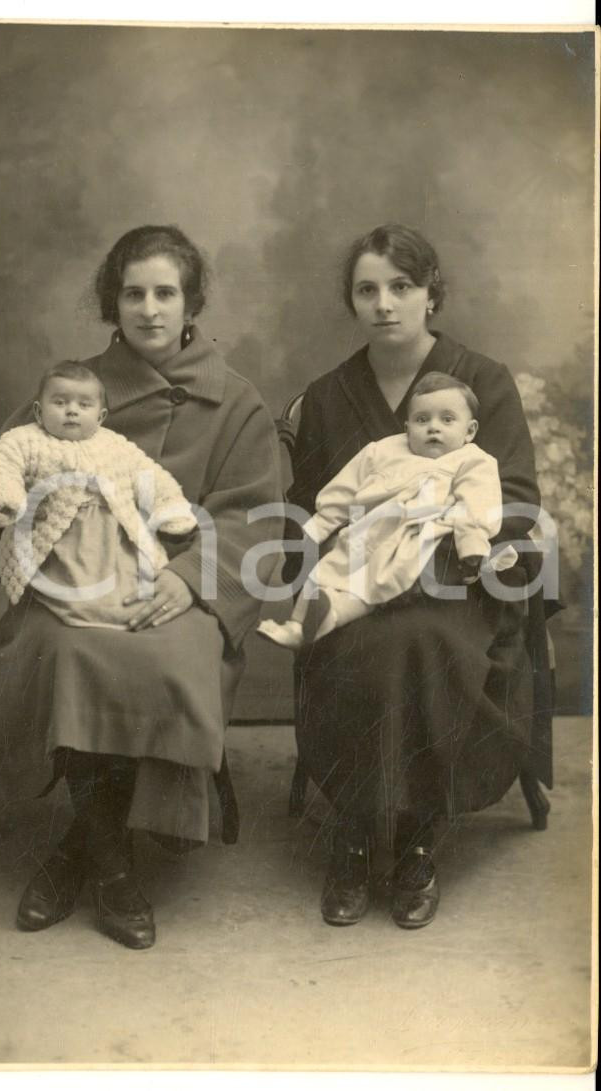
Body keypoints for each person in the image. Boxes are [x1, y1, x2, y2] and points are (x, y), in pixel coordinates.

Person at [0, 224, 282, 950]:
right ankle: (111, 864)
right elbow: (3, 475)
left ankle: (77, 848)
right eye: (132, 293)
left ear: (191, 300)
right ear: (114, 302)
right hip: (69, 587)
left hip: (183, 586)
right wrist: (39, 545)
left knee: (166, 658)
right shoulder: (72, 392)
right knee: (68, 651)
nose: (148, 308)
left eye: (165, 292)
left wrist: (190, 577)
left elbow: (257, 518)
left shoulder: (236, 400)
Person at [285, 223, 553, 930]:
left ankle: (417, 838)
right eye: (367, 289)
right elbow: (312, 501)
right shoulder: (330, 393)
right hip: (364, 579)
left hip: (459, 585)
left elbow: (517, 497)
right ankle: (353, 828)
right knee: (360, 645)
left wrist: (451, 556)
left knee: (426, 645)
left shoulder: (483, 380)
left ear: (432, 294)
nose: (385, 303)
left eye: (402, 286)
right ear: (351, 301)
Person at [257, 372, 517, 649]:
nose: (433, 428)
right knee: (326, 571)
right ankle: (298, 626)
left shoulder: (473, 460)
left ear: (470, 430)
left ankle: (332, 615)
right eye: (422, 419)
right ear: (407, 427)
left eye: (447, 419)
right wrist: (317, 528)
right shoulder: (382, 451)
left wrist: (471, 546)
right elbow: (343, 491)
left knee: (391, 578)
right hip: (369, 531)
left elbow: (475, 504)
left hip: (427, 537)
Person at [0, 361, 197, 626]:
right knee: (73, 594)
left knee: (130, 583)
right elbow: (0, 466)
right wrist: (6, 498)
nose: (71, 411)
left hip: (112, 539)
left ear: (100, 416)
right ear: (38, 410)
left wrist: (170, 507)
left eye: (84, 405)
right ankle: (83, 610)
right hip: (58, 543)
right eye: (60, 403)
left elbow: (149, 474)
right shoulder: (24, 440)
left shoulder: (114, 445)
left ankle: (118, 607)